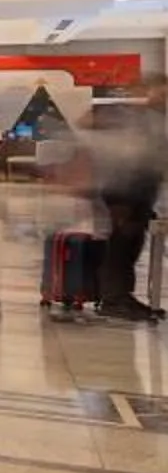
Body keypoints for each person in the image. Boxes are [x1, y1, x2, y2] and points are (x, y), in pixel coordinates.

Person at [89, 84, 165, 321]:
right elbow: (121, 156)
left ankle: (123, 296)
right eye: (161, 92)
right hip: (123, 191)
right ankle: (114, 299)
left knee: (131, 244)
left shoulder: (153, 120)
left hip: (141, 191)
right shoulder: (130, 116)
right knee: (120, 245)